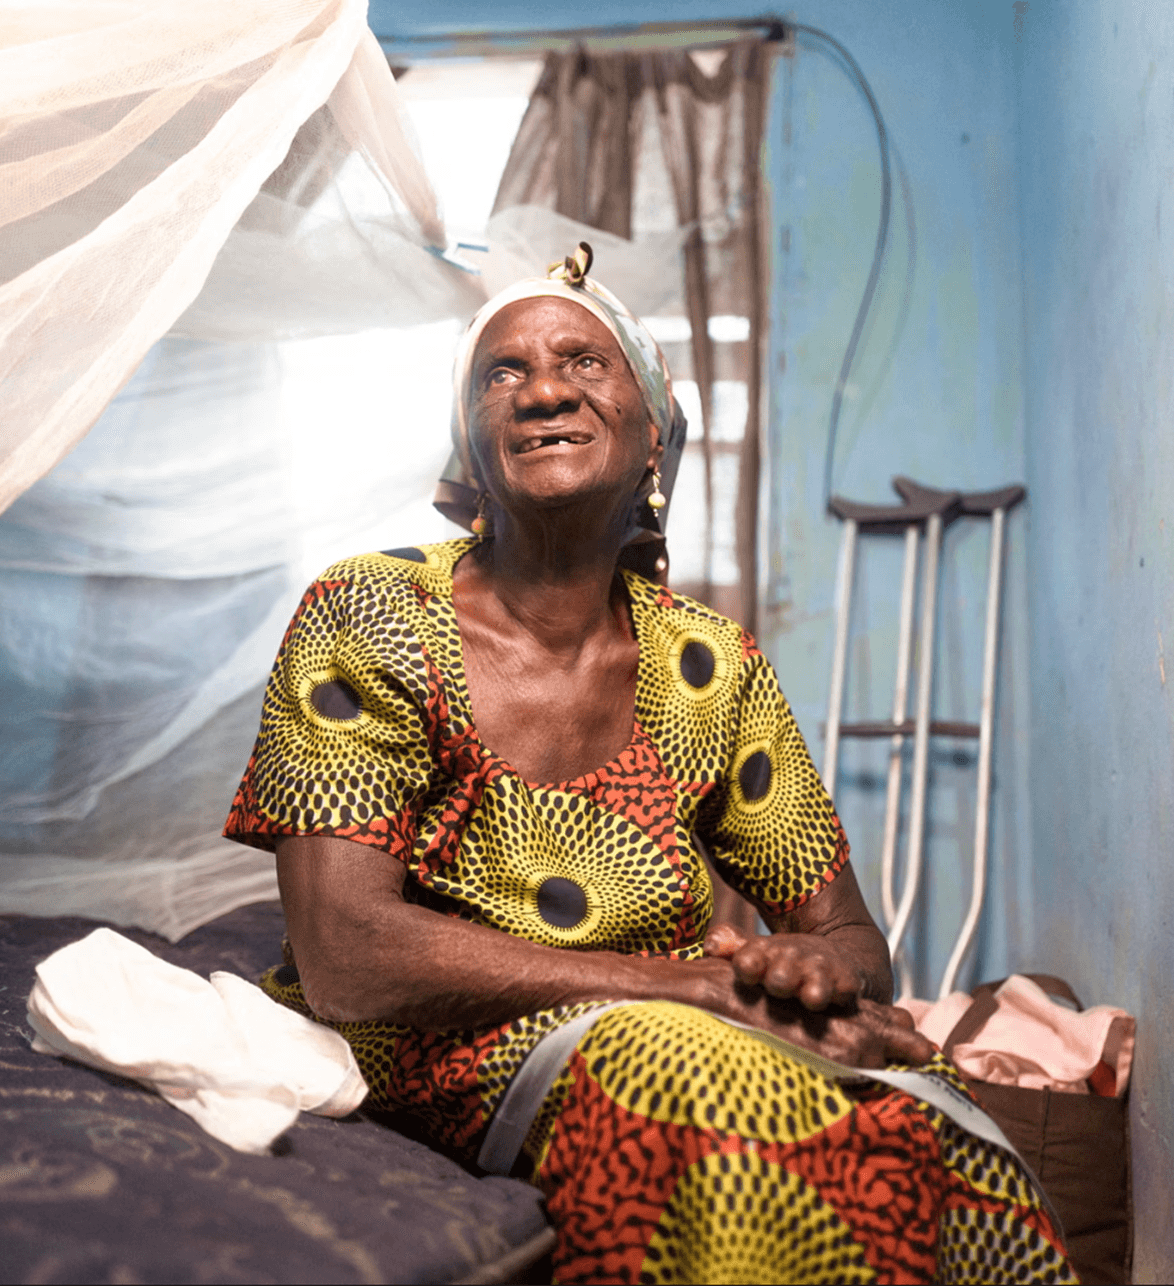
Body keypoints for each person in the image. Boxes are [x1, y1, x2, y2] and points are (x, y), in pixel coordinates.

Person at [224, 247, 1073, 1285]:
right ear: (471, 456)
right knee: (721, 1093)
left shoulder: (711, 667)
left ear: (654, 434)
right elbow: (346, 956)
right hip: (441, 1038)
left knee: (921, 1108)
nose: (542, 387)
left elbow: (853, 937)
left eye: (584, 361)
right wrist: (689, 989)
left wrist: (813, 971)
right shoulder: (369, 613)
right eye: (502, 372)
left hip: (676, 1008)